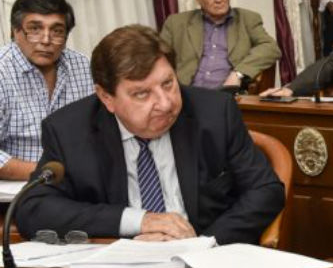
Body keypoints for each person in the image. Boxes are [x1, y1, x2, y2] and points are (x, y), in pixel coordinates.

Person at [15, 25, 284, 243]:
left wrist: (204, 244)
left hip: (205, 263)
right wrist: (139, 221)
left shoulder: (214, 113)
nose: (165, 104)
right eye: (142, 94)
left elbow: (265, 190)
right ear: (106, 97)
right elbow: (33, 209)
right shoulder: (69, 130)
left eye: (168, 83)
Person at [0, 0, 92, 181]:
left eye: (57, 31)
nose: (46, 40)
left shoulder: (82, 65)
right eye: (35, 29)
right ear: (15, 31)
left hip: (79, 182)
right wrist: (53, 173)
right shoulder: (2, 70)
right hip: (19, 188)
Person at [159, 0, 281, 90]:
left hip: (226, 95)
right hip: (185, 93)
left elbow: (271, 48)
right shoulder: (176, 23)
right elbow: (158, 57)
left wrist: (238, 73)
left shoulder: (247, 19)